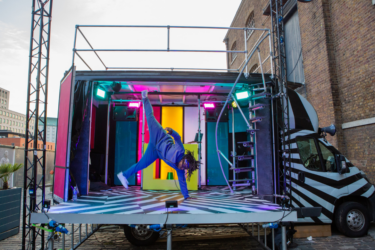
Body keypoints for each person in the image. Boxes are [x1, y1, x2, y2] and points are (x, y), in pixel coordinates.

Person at [117, 90, 199, 199]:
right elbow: (178, 138)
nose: (182, 167)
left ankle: (123, 175)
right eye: (183, 164)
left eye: (184, 167)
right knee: (150, 117)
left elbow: (182, 182)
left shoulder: (180, 170)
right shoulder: (180, 150)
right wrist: (172, 131)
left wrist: (186, 197)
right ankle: (144, 97)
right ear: (183, 158)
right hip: (160, 135)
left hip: (155, 151)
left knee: (142, 164)